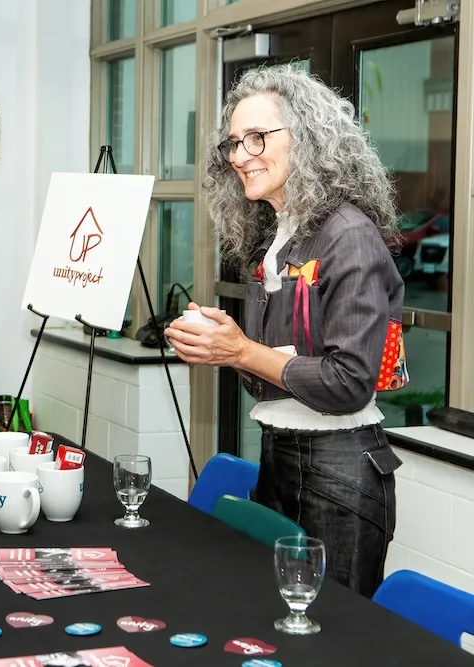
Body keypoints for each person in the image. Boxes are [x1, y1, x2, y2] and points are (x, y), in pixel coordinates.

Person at [164, 64, 404, 599]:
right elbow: (269, 378)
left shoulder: (349, 237)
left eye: (258, 138)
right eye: (233, 143)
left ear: (309, 139)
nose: (241, 156)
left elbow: (348, 383)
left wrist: (245, 350)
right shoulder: (278, 240)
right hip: (281, 455)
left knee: (330, 638)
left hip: (340, 472)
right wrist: (230, 349)